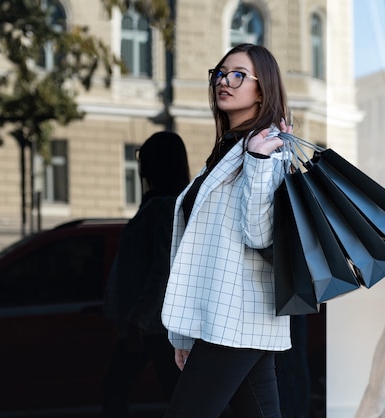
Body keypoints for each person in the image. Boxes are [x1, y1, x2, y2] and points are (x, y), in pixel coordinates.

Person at [160, 43, 293, 418]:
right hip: (230, 319)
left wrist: (259, 161)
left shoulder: (266, 149)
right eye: (220, 74)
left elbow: (260, 234)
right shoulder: (228, 151)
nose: (224, 82)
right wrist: (186, 333)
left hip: (234, 319)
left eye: (238, 75)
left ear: (262, 89)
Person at [102, 131, 191, 418]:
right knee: (177, 396)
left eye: (144, 156)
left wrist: (137, 320)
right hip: (152, 324)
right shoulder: (159, 203)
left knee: (117, 389)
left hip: (155, 325)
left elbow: (162, 271)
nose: (139, 164)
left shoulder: (164, 206)